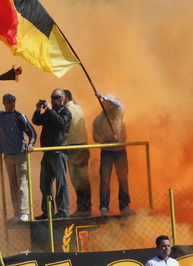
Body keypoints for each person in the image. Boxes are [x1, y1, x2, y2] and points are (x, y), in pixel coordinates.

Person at [0, 84, 36, 222]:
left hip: (21, 155)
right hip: (8, 157)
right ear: (4, 103)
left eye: (13, 101)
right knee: (13, 186)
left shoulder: (19, 116)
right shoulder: (0, 115)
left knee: (22, 184)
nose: (12, 104)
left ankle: (24, 213)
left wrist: (31, 145)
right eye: (10, 101)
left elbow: (32, 132)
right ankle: (17, 214)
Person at [32, 89, 72, 219]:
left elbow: (61, 122)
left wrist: (49, 109)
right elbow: (37, 121)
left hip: (59, 151)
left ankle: (63, 211)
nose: (53, 100)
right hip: (48, 152)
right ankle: (48, 212)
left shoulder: (65, 112)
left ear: (62, 98)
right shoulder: (50, 112)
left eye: (55, 97)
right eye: (51, 98)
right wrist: (38, 110)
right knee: (44, 183)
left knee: (61, 183)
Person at [92, 93, 133, 216]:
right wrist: (107, 138)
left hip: (121, 151)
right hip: (106, 152)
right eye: (107, 103)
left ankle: (125, 206)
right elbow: (95, 137)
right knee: (105, 181)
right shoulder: (98, 120)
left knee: (123, 180)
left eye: (111, 103)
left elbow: (118, 104)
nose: (111, 105)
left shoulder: (118, 114)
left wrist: (104, 97)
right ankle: (104, 207)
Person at [63, 89, 91, 217]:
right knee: (84, 178)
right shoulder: (79, 108)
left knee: (77, 180)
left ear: (65, 98)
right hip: (84, 146)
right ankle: (85, 208)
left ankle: (83, 209)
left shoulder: (67, 111)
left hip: (74, 148)